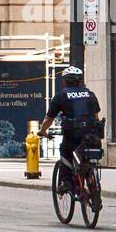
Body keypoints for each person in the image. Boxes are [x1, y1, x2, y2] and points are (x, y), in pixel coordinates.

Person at [38, 66, 104, 200]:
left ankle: (66, 182)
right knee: (86, 156)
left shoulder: (61, 96)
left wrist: (42, 131)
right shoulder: (90, 94)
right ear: (80, 80)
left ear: (65, 81)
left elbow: (49, 119)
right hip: (92, 134)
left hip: (73, 134)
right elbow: (96, 116)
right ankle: (92, 186)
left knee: (65, 151)